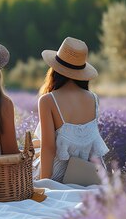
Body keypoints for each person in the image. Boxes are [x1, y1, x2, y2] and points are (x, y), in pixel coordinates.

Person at [37, 37, 109, 182]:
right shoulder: (94, 99)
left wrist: (44, 185)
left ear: (54, 69)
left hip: (57, 176)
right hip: (86, 176)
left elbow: (48, 148)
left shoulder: (48, 101)